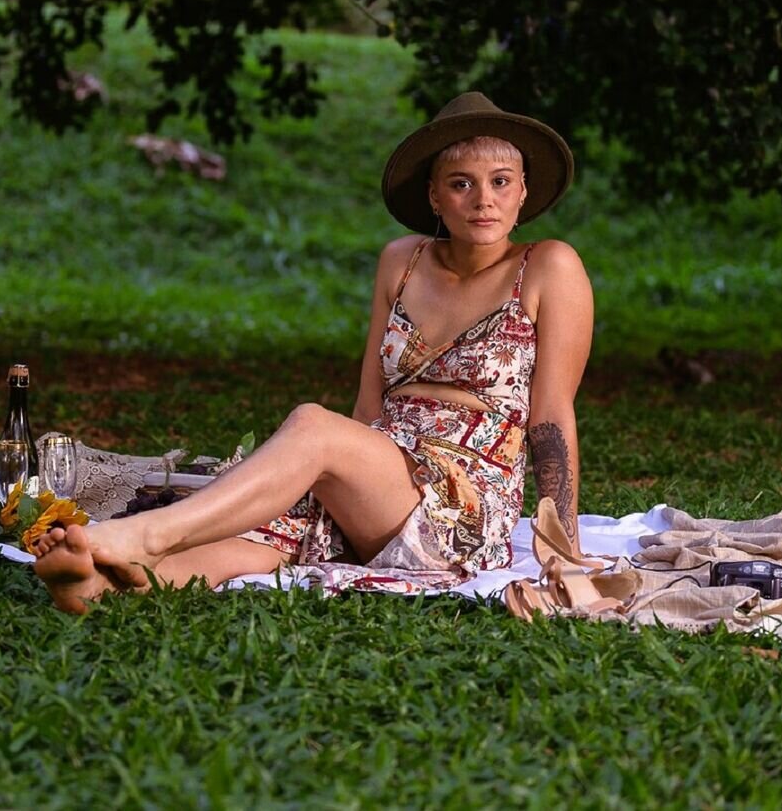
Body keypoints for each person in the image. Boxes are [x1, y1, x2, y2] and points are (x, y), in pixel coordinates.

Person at [33, 92, 595, 613]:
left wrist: (564, 548)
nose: (483, 200)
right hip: (382, 471)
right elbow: (370, 403)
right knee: (256, 540)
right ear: (434, 196)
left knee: (312, 426)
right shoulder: (402, 262)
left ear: (523, 192)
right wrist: (337, 490)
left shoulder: (548, 266)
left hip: (461, 505)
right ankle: (94, 585)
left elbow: (551, 416)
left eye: (501, 182)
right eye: (461, 184)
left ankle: (144, 537)